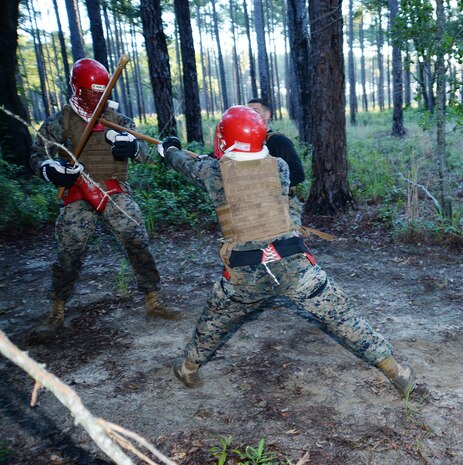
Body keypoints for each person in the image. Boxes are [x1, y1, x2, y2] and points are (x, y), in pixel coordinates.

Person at [157, 105, 415, 398]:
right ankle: (397, 372)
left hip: (246, 272)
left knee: (214, 321)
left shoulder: (212, 172)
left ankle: (188, 368)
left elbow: (182, 162)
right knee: (344, 317)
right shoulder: (279, 166)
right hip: (293, 262)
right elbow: (244, 169)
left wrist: (170, 148)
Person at [30, 58, 179, 340]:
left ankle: (154, 300)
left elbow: (145, 156)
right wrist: (51, 170)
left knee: (136, 239)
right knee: (69, 251)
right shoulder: (58, 122)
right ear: (77, 88)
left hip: (113, 189)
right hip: (77, 192)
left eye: (102, 91)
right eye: (91, 91)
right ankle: (57, 310)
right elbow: (37, 156)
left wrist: (132, 148)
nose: (97, 97)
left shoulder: (117, 119)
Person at [247, 98, 305, 225]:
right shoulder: (244, 145)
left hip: (283, 209)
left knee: (287, 243)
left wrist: (268, 185)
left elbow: (298, 174)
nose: (250, 115)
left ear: (267, 115)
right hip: (253, 211)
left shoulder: (279, 141)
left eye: (255, 111)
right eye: (247, 112)